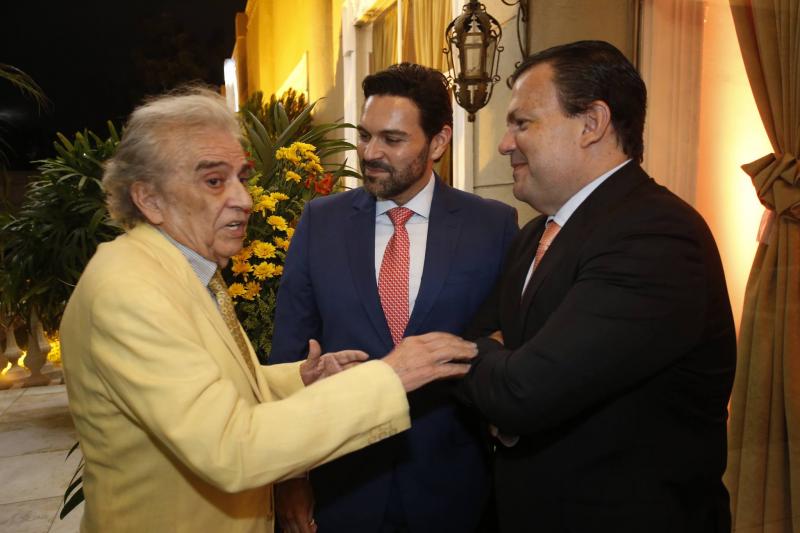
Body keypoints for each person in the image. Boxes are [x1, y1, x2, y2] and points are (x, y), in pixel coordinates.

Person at [59, 86, 479, 533]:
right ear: (149, 199)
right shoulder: (131, 290)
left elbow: (213, 387)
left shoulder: (180, 270)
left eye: (241, 178)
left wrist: (301, 378)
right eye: (214, 181)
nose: (244, 199)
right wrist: (390, 376)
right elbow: (230, 448)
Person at [459, 40, 737, 533]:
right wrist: (498, 361)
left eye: (522, 123)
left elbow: (521, 391)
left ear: (592, 123)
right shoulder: (535, 234)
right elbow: (482, 340)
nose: (504, 144)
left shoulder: (656, 235)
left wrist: (494, 366)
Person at [270, 63, 518, 532]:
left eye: (392, 139)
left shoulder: (492, 226)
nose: (370, 153)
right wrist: (290, 479)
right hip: (341, 490)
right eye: (365, 136)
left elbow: (507, 348)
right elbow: (289, 356)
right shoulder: (321, 222)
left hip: (457, 493)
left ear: (438, 142)